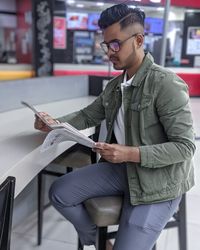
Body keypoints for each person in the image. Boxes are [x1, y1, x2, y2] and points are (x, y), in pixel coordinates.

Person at [34, 4, 195, 250]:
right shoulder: (115, 86)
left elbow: (185, 147)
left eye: (115, 44)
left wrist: (129, 153)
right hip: (121, 170)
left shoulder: (166, 84)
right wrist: (54, 125)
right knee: (60, 192)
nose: (109, 52)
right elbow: (88, 115)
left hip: (159, 182)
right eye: (106, 45)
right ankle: (101, 245)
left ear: (139, 40)